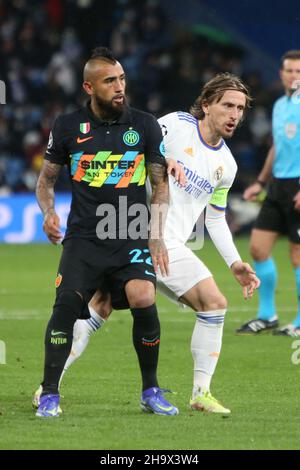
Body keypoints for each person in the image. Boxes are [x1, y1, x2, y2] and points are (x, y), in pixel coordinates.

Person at [34, 73, 260, 414]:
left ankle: (49, 387)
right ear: (206, 105)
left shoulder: (226, 165)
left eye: (240, 108)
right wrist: (162, 158)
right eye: (227, 105)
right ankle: (195, 392)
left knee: (103, 306)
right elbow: (131, 148)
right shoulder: (175, 125)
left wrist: (234, 262)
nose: (235, 114)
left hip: (167, 243)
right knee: (209, 303)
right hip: (139, 229)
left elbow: (214, 218)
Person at [35, 46, 181, 418]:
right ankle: (50, 393)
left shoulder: (145, 124)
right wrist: (48, 212)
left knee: (143, 296)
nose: (120, 87)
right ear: (88, 86)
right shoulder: (67, 126)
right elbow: (45, 181)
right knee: (67, 304)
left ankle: (150, 390)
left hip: (130, 232)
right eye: (110, 81)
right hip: (84, 237)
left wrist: (156, 234)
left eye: (122, 79)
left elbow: (160, 184)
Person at [236, 50, 300, 337]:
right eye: (289, 70)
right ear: (281, 73)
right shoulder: (280, 106)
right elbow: (277, 147)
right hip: (277, 185)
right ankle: (267, 315)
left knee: (298, 255)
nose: (294, 75)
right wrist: (260, 182)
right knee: (258, 248)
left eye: (299, 71)